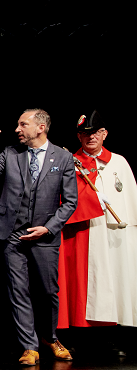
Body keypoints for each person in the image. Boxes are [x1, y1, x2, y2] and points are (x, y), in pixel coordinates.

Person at [0, 111, 78, 365]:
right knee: (18, 291)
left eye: (23, 124)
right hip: (13, 234)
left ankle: (50, 337)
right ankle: (29, 347)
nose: (17, 129)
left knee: (48, 291)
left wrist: (48, 228)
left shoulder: (63, 157)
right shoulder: (11, 153)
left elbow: (70, 202)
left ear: (41, 127)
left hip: (44, 236)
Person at [58, 110, 137, 333]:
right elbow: (63, 198)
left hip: (116, 234)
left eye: (95, 132)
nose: (90, 137)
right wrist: (91, 199)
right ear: (78, 137)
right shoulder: (70, 163)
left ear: (105, 134)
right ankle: (84, 334)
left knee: (120, 280)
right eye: (85, 133)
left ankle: (117, 333)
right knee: (87, 284)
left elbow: (131, 199)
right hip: (86, 232)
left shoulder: (119, 162)